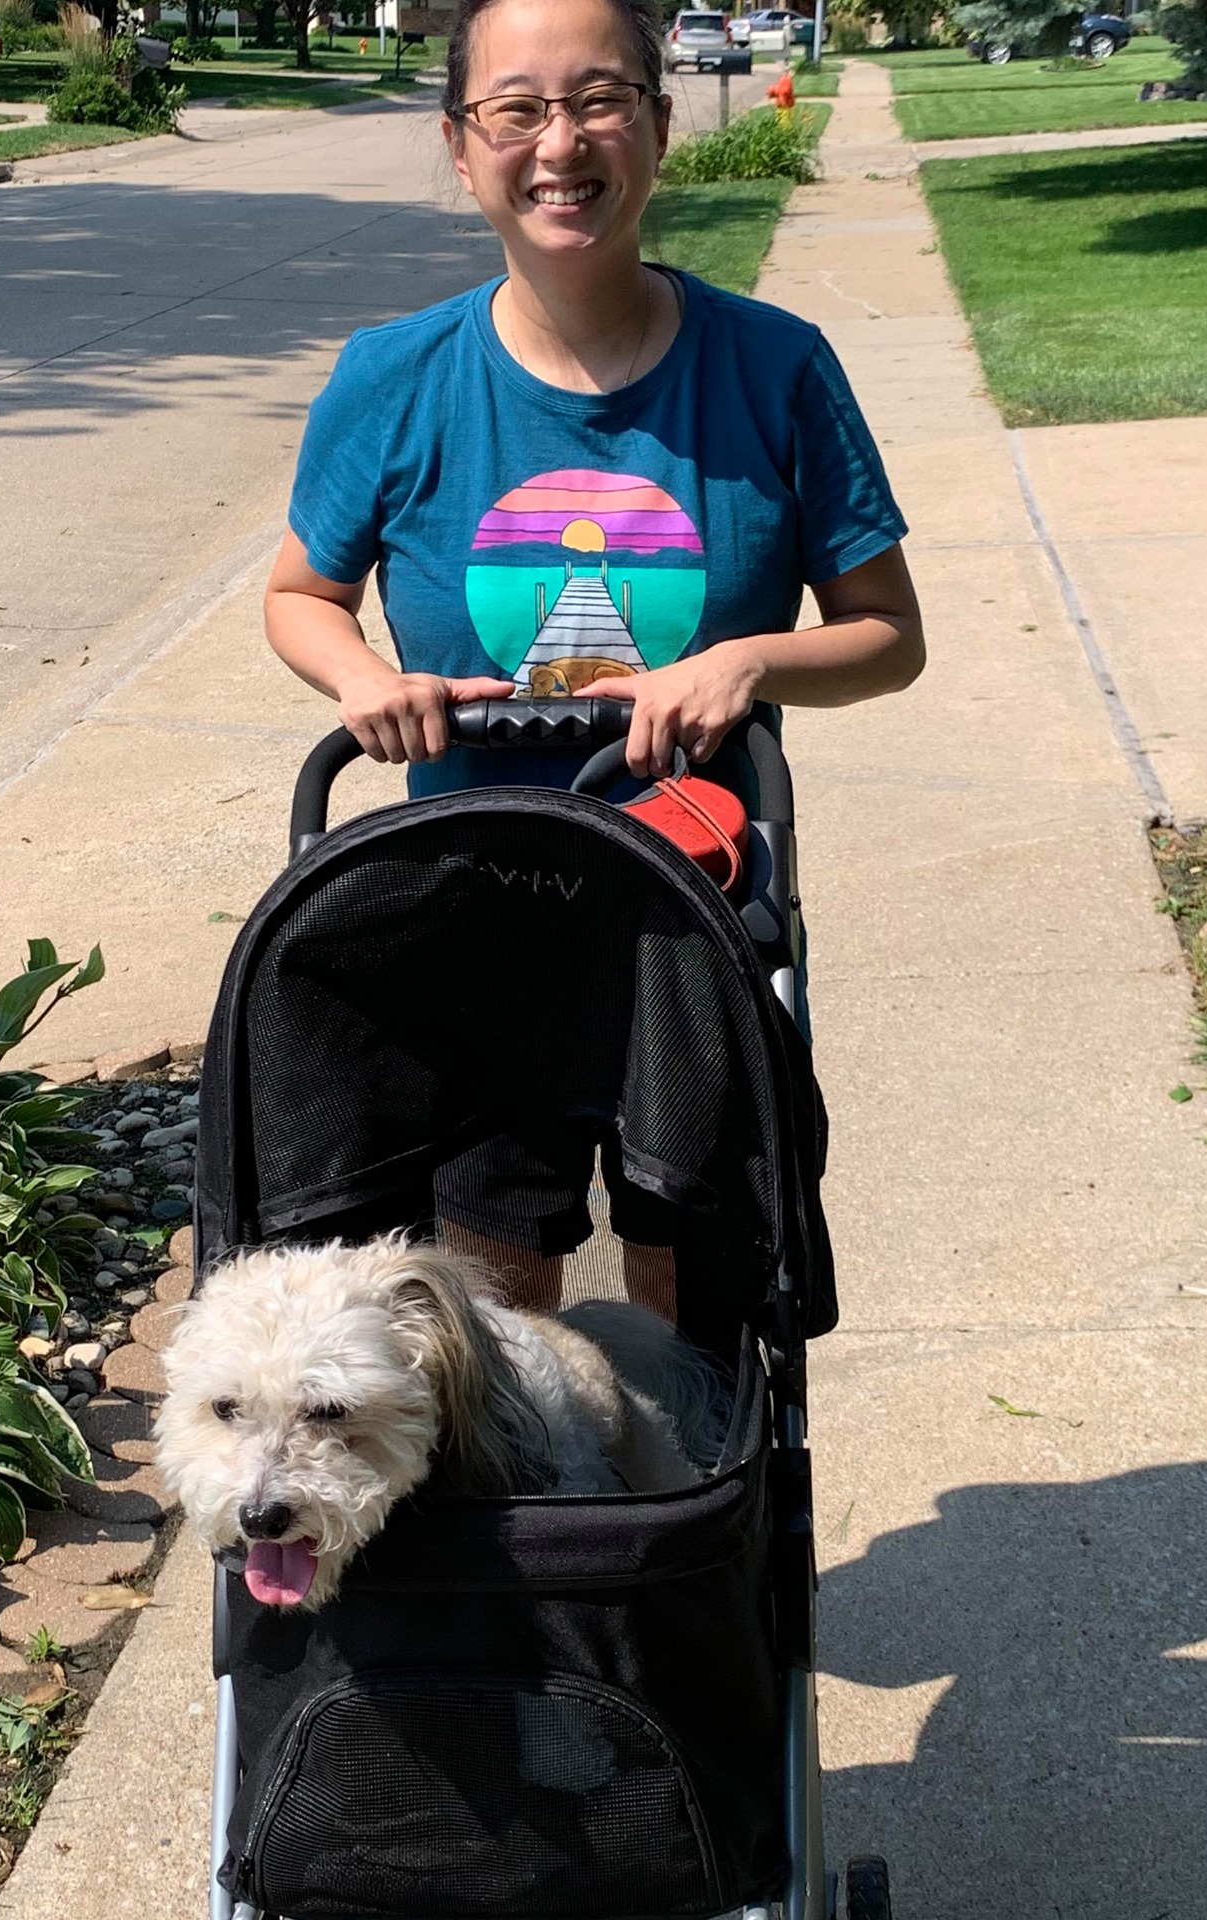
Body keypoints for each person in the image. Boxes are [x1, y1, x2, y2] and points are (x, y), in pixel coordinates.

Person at [263, 0, 923, 1316]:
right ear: (463, 147)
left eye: (600, 99)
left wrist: (752, 664)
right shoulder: (394, 380)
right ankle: (548, 1524)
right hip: (471, 908)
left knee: (695, 1271)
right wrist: (359, 680)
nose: (561, 143)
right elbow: (300, 594)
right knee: (493, 1289)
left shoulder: (776, 370)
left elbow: (888, 637)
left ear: (659, 126)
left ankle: (691, 1518)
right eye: (517, 109)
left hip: (692, 905)